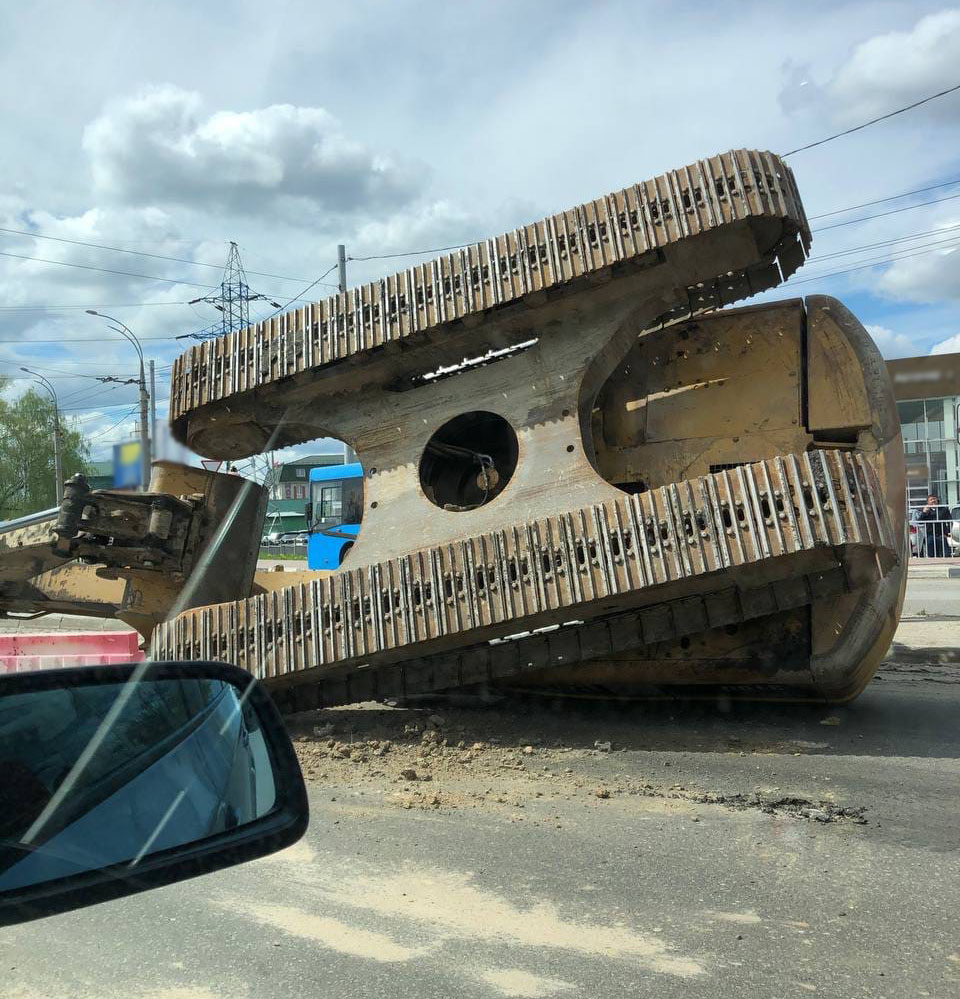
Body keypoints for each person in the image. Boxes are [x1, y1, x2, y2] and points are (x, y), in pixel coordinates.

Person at [916, 494, 951, 558]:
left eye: (934, 499)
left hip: (942, 534)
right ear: (928, 502)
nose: (933, 501)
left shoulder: (944, 509)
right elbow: (919, 522)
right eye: (931, 499)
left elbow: (950, 521)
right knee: (931, 554)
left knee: (945, 553)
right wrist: (924, 512)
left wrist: (947, 532)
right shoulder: (926, 511)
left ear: (937, 500)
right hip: (930, 535)